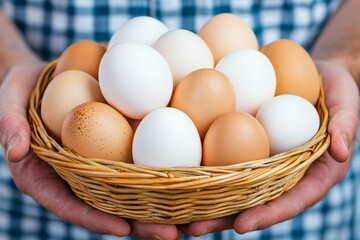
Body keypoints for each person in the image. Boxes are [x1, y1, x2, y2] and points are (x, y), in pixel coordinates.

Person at [0, 0, 359, 239]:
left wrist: (344, 58)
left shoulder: (237, 87)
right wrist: (8, 59)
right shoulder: (122, 72)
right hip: (48, 202)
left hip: (299, 212)